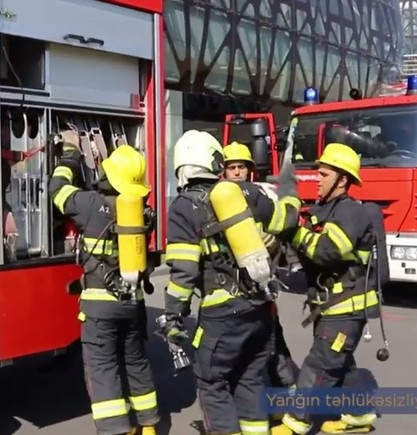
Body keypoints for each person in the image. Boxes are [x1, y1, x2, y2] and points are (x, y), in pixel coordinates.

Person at [163, 130, 302, 435]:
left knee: (212, 383)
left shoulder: (184, 207)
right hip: (260, 304)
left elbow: (184, 271)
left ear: (183, 166)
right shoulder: (247, 193)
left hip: (221, 310)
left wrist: (173, 315)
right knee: (249, 378)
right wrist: (290, 192)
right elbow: (286, 222)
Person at [50, 143, 160, 435]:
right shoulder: (145, 212)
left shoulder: (88, 204)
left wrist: (69, 160)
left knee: (103, 368)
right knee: (136, 362)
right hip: (133, 303)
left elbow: (56, 191)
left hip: (100, 306)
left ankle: (115, 430)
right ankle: (148, 426)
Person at [272, 143, 382, 435]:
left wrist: (295, 231)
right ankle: (359, 417)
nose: (317, 179)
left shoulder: (349, 212)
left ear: (342, 179)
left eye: (324, 174)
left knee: (319, 365)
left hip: (345, 309)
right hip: (332, 307)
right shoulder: (327, 210)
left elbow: (326, 252)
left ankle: (296, 423)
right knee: (341, 364)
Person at [222, 142, 301, 398]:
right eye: (232, 167)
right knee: (237, 347)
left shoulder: (263, 196)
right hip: (230, 286)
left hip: (260, 281)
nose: (236, 172)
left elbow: (279, 230)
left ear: (250, 170)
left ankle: (286, 392)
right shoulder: (216, 197)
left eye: (241, 167)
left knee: (271, 341)